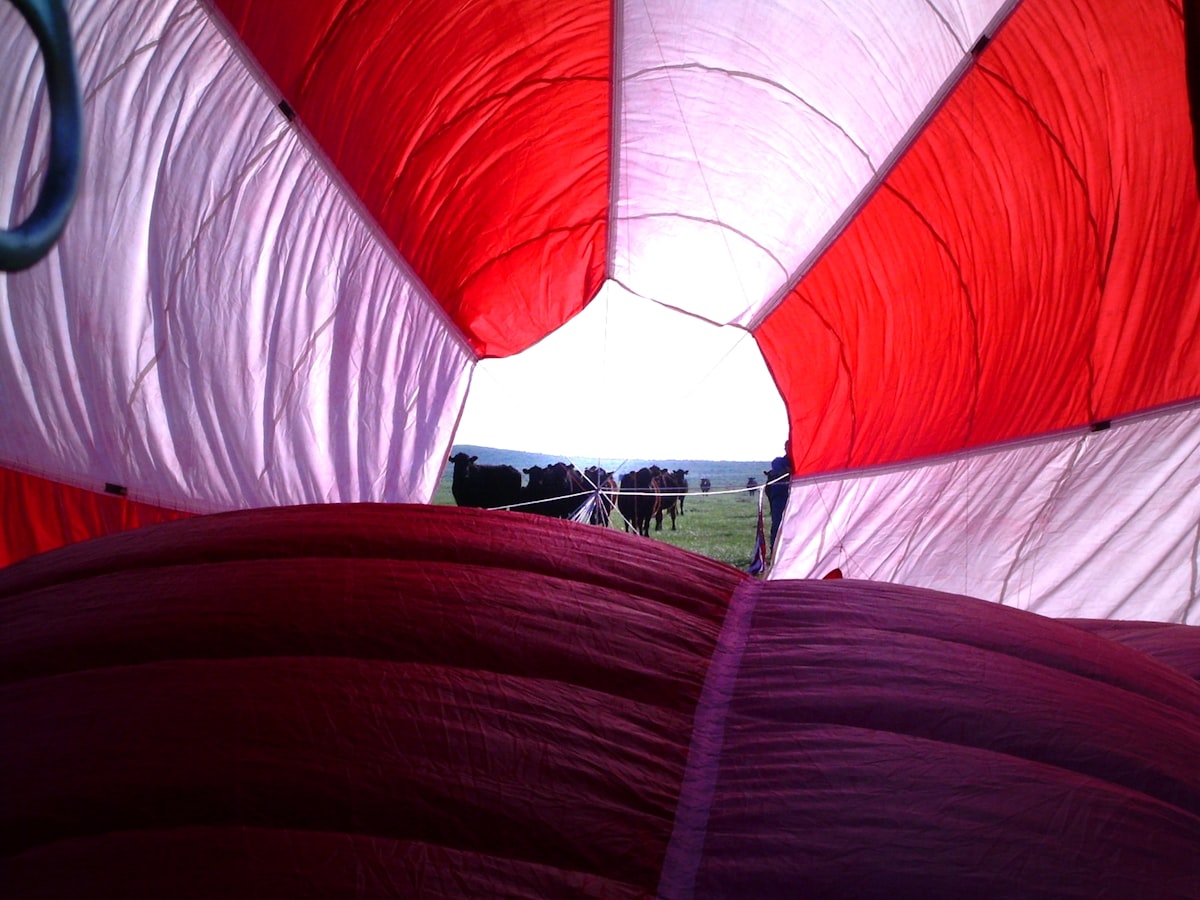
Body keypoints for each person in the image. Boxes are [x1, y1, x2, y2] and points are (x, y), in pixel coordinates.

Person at [765, 440, 791, 555]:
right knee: (778, 524)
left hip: (798, 497)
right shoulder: (778, 461)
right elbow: (781, 471)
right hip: (780, 496)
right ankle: (775, 552)